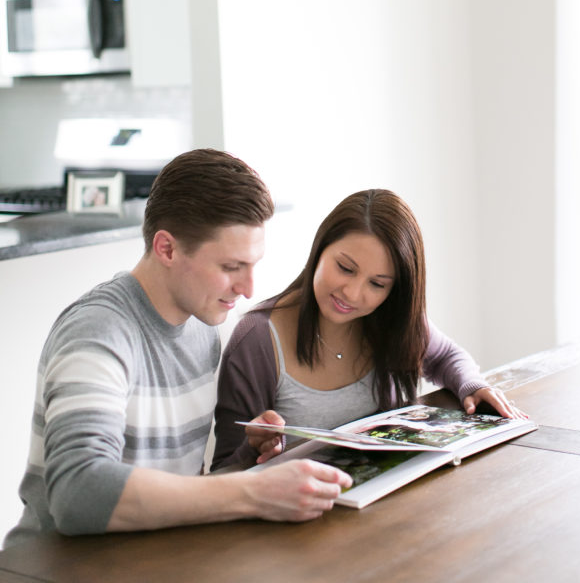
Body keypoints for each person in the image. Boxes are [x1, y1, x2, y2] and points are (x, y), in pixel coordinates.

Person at [3, 149, 350, 549]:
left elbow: (177, 494)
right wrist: (255, 492)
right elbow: (78, 494)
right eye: (230, 267)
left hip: (147, 560)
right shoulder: (98, 332)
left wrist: (244, 461)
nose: (249, 289)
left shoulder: (201, 327)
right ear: (166, 248)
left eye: (252, 265)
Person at [212, 188, 525, 470]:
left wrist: (471, 385)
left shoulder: (391, 318)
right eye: (345, 268)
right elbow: (225, 468)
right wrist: (255, 449)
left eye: (377, 284)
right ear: (320, 249)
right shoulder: (257, 338)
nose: (353, 294)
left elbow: (445, 356)